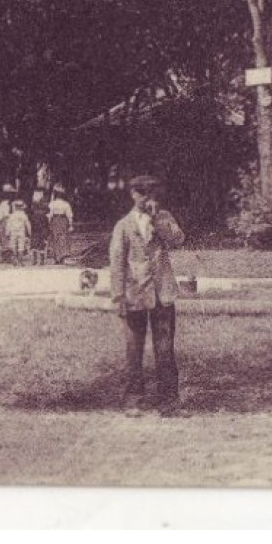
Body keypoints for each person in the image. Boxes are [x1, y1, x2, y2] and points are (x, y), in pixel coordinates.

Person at [108, 175, 186, 414]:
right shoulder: (123, 225)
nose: (147, 199)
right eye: (143, 194)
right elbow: (117, 261)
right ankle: (133, 399)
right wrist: (118, 296)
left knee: (165, 349)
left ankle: (169, 400)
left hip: (162, 293)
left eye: (152, 194)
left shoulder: (164, 218)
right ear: (134, 195)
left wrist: (158, 221)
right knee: (134, 349)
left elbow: (178, 240)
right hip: (135, 294)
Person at [1, 200, 32, 266]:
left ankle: (15, 260)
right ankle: (20, 261)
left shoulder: (12, 215)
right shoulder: (24, 215)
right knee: (21, 246)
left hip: (13, 232)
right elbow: (27, 224)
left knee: (13, 245)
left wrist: (7, 233)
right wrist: (29, 232)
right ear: (21, 207)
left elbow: (8, 224)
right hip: (21, 231)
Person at [47, 187, 74, 264]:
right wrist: (71, 225)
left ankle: (56, 257)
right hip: (63, 220)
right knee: (63, 238)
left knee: (55, 238)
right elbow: (69, 215)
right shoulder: (66, 204)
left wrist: (49, 223)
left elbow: (50, 215)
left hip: (55, 220)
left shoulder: (52, 204)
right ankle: (62, 256)